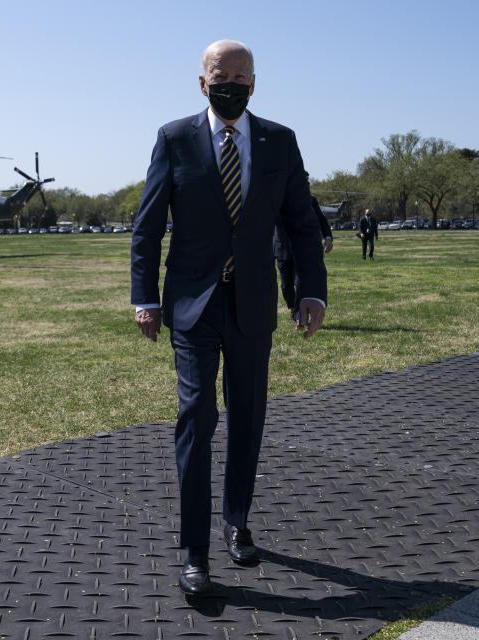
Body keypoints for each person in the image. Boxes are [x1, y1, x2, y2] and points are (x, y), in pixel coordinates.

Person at [130, 39, 327, 595]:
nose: (232, 82)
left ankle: (236, 521)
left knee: (248, 417)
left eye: (242, 74)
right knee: (197, 417)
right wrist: (143, 298)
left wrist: (310, 291)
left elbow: (302, 225)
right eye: (222, 73)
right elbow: (147, 227)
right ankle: (195, 553)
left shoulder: (279, 142)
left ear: (255, 83)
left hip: (254, 303)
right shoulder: (173, 139)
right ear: (202, 81)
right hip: (193, 305)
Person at [274, 177, 333, 321]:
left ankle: (298, 314)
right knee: (285, 286)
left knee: (299, 282)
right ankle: (293, 307)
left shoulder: (311, 201)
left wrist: (328, 237)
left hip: (301, 250)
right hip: (282, 249)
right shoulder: (277, 199)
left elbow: (322, 221)